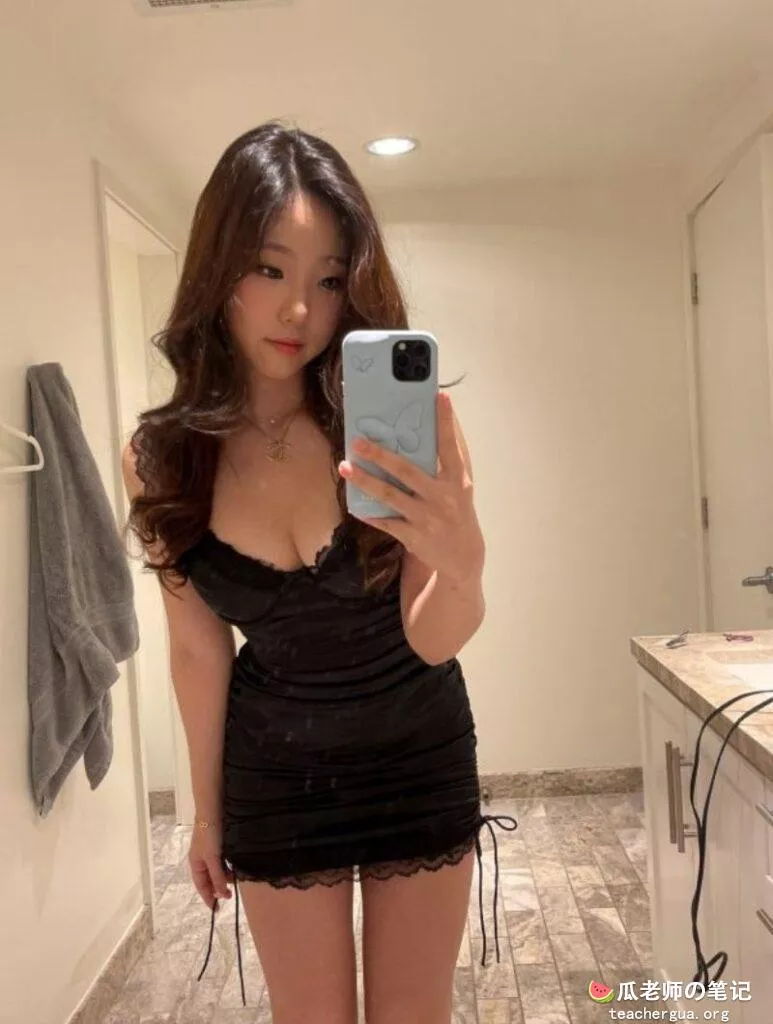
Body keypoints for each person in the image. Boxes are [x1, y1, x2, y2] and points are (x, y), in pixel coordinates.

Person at [122, 121, 516, 1024]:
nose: (298, 309)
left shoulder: (390, 426)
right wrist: (207, 813)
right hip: (275, 776)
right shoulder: (161, 458)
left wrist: (464, 565)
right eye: (269, 269)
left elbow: (431, 637)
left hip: (416, 751)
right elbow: (197, 650)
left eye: (329, 279)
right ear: (217, 267)